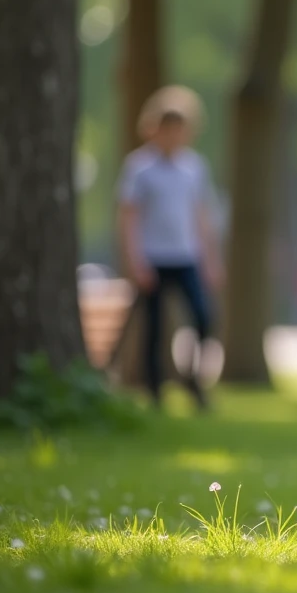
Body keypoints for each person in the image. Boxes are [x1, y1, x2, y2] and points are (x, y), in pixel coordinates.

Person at [117, 98, 223, 410]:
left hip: (186, 255)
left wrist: (211, 259)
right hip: (153, 257)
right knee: (154, 328)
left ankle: (193, 379)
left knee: (204, 318)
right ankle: (154, 392)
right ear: (154, 130)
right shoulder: (139, 168)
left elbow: (201, 216)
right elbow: (129, 217)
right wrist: (135, 261)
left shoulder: (194, 167)